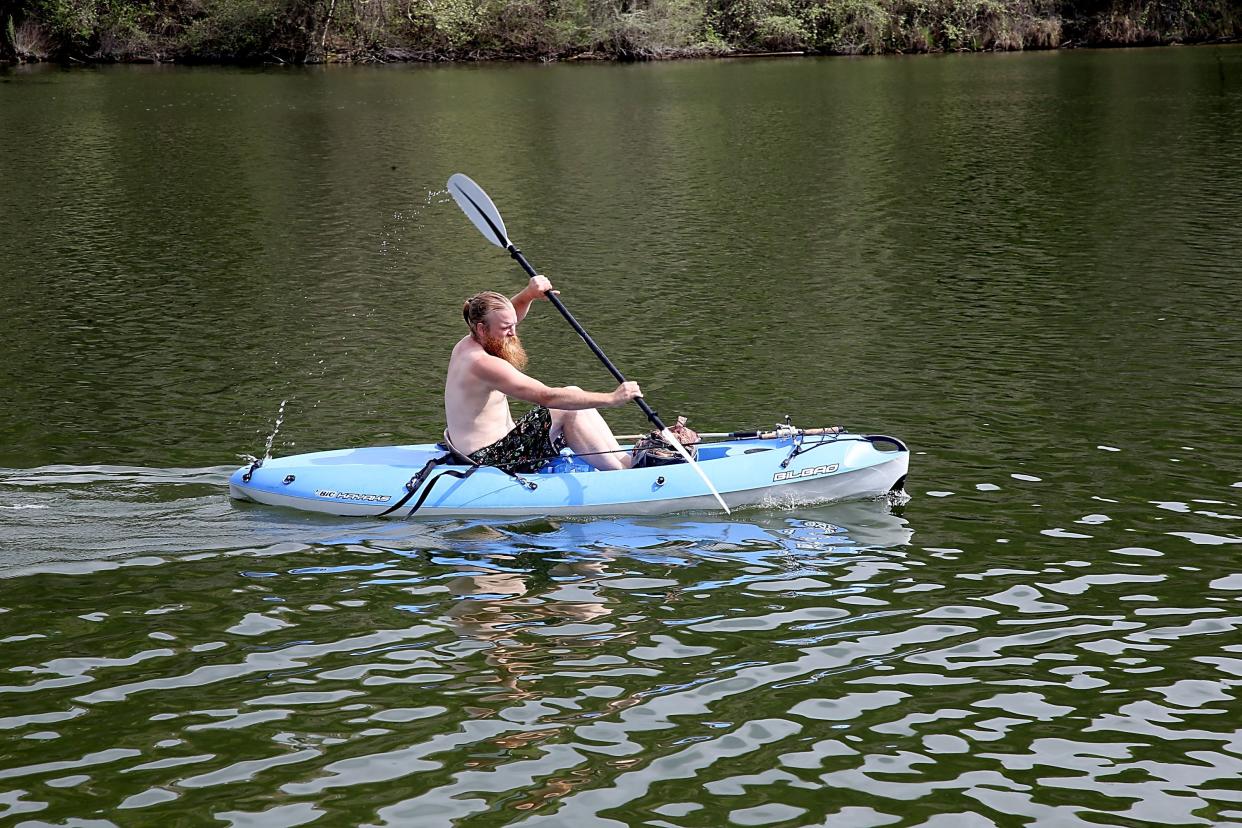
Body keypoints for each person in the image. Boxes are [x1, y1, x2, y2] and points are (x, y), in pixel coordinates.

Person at [444, 275, 642, 473]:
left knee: (573, 392)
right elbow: (546, 397)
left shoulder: (471, 341)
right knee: (566, 409)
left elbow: (507, 316)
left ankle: (623, 460)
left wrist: (528, 295)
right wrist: (611, 398)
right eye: (506, 328)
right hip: (488, 458)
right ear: (481, 328)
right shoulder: (482, 363)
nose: (513, 333)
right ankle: (620, 473)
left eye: (514, 325)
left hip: (498, 445)